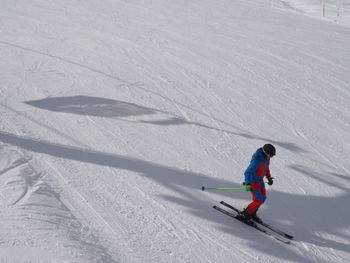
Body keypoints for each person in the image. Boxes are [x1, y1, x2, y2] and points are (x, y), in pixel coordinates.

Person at [238, 144, 276, 223]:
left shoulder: (266, 158)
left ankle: (252, 213)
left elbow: (266, 168)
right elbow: (247, 172)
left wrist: (269, 177)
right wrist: (248, 183)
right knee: (258, 199)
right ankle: (246, 214)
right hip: (253, 180)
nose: (271, 157)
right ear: (267, 153)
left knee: (263, 198)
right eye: (271, 155)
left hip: (259, 180)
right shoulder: (257, 160)